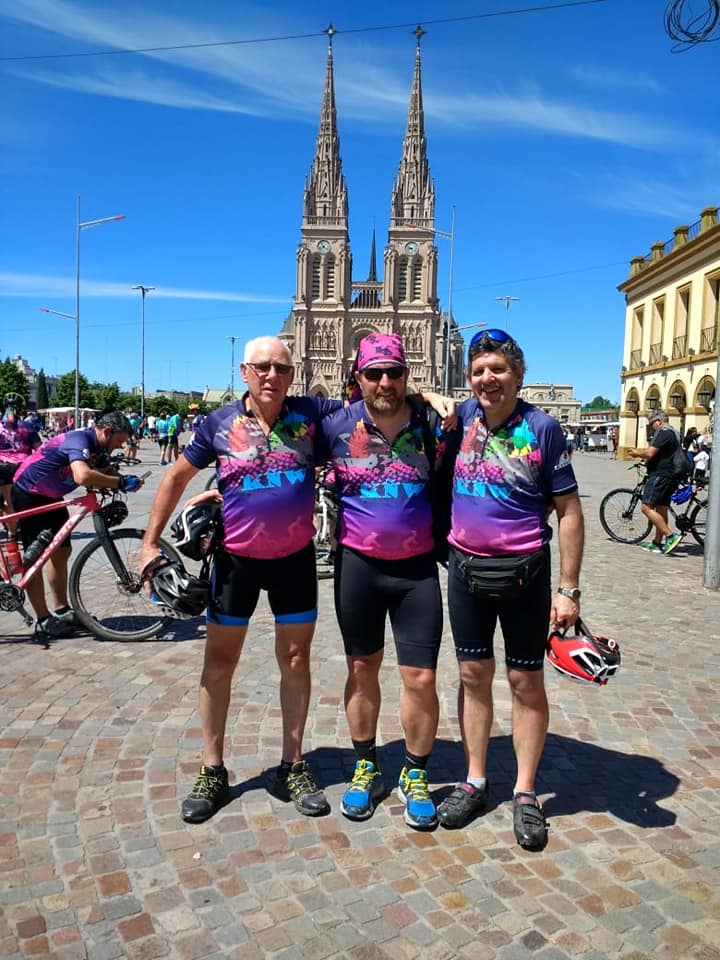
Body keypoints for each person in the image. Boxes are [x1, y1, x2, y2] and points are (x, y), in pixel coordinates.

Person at [140, 336, 342, 824]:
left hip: (294, 560)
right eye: (262, 367)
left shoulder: (312, 413)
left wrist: (431, 397)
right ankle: (213, 768)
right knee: (219, 663)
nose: (272, 375)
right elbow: (174, 478)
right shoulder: (219, 422)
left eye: (281, 368)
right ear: (244, 371)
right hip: (236, 562)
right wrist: (149, 544)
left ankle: (292, 765)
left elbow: (376, 404)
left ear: (293, 374)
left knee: (295, 660)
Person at [435, 328, 584, 850]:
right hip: (466, 572)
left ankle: (524, 791)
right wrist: (431, 395)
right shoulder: (460, 419)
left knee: (525, 682)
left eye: (498, 369)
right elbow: (404, 394)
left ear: (518, 375)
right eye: (479, 371)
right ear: (468, 378)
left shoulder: (542, 428)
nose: (488, 378)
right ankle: (474, 780)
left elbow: (569, 512)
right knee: (472, 675)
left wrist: (569, 590)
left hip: (526, 574)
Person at [317, 333, 447, 831]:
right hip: (358, 567)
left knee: (422, 678)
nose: (384, 381)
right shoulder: (335, 425)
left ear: (407, 375)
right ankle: (366, 765)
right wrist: (223, 493)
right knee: (361, 669)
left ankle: (415, 772)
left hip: (416, 570)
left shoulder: (433, 423)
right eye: (374, 373)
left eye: (394, 372)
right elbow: (277, 449)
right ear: (359, 378)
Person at [11, 412, 141, 641]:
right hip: (29, 493)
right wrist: (120, 482)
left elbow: (105, 471)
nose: (120, 446)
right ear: (107, 431)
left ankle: (61, 609)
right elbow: (82, 476)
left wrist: (122, 479)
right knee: (34, 559)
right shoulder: (79, 440)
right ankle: (43, 619)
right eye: (119, 440)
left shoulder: (99, 447)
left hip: (51, 495)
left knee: (61, 551)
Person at [628, 410, 683, 555]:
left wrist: (636, 453)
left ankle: (670, 536)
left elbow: (650, 453)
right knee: (661, 508)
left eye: (651, 423)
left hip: (661, 475)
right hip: (670, 475)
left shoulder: (664, 433)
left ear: (658, 421)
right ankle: (657, 543)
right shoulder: (675, 433)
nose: (651, 427)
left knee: (646, 507)